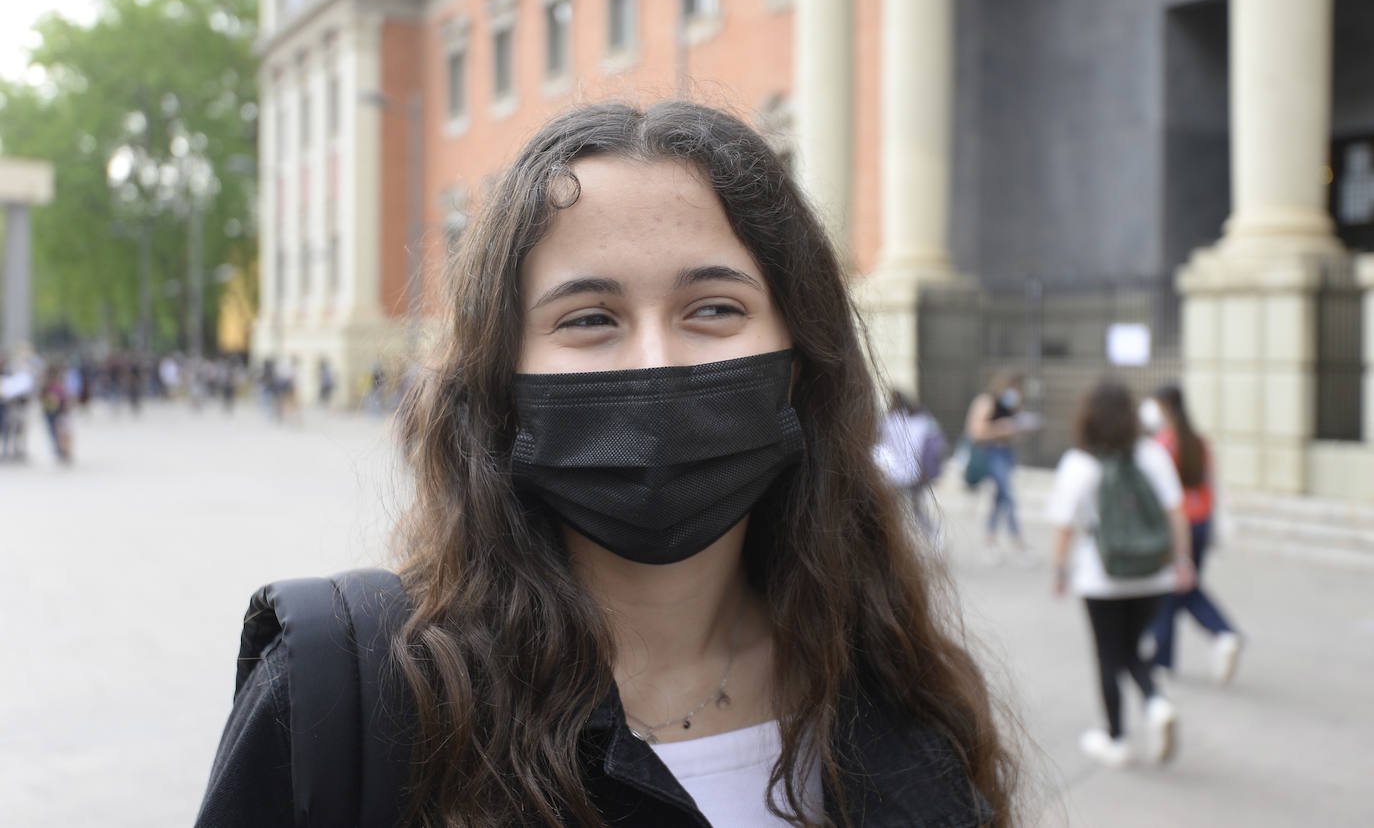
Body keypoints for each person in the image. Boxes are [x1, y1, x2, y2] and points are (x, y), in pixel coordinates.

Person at [195, 101, 1017, 826]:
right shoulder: (349, 698)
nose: (657, 362)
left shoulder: (901, 689)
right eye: (590, 318)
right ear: (500, 380)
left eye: (715, 308)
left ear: (800, 357)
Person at [1046, 380, 1196, 768]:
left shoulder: (1079, 463)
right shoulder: (1152, 454)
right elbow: (1176, 512)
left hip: (1102, 576)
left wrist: (1059, 569)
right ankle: (1156, 702)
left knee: (1108, 654)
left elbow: (1064, 524)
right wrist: (1182, 562)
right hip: (1153, 573)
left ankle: (1116, 738)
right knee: (1131, 648)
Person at [1140, 385, 1242, 686]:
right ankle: (1164, 658)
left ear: (1164, 408)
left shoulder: (1162, 444)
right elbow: (1210, 485)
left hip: (1176, 527)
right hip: (1201, 522)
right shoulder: (1199, 442)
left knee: (1176, 588)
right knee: (1178, 588)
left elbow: (1157, 495)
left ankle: (1222, 632)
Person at [964, 371, 1037, 564]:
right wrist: (1002, 428)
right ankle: (1018, 543)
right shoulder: (986, 402)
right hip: (990, 454)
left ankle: (990, 543)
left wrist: (1018, 429)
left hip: (1005, 454)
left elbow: (1013, 433)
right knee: (1008, 497)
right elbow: (976, 431)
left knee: (999, 500)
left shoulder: (1010, 406)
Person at [874, 388, 947, 541]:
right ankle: (934, 537)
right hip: (916, 472)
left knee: (893, 511)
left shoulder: (888, 422)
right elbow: (937, 444)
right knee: (917, 508)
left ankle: (896, 541)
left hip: (894, 473)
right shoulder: (923, 421)